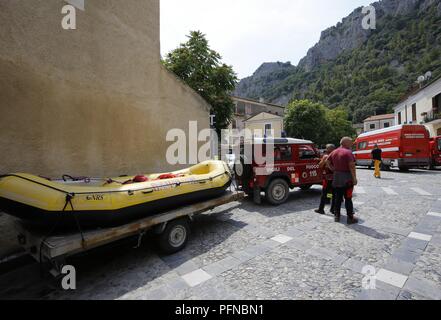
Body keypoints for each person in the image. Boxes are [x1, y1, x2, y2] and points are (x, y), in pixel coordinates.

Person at [327, 137, 359, 224]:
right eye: (351, 142)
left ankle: (337, 216)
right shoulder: (348, 152)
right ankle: (350, 217)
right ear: (346, 143)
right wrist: (354, 178)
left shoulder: (334, 151)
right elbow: (352, 166)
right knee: (348, 198)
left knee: (338, 198)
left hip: (337, 178)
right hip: (347, 178)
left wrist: (333, 169)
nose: (352, 144)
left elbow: (327, 161)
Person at [315, 144, 336, 215]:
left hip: (327, 178)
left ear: (328, 149)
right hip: (336, 178)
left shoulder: (326, 156)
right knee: (333, 193)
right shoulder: (337, 156)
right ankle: (332, 209)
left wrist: (322, 161)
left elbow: (320, 166)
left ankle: (321, 209)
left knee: (324, 193)